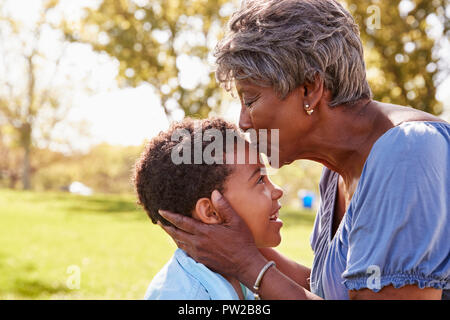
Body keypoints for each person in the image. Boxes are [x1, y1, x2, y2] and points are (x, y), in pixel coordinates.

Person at [158, 0, 449, 300]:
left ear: (310, 89)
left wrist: (248, 264)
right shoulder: (335, 173)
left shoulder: (408, 152)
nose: (243, 122)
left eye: (251, 99)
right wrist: (233, 243)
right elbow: (334, 291)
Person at [134, 117, 284, 299]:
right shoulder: (186, 296)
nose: (277, 190)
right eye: (260, 180)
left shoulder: (233, 272)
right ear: (211, 212)